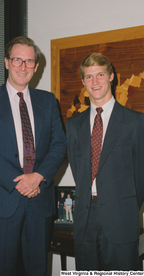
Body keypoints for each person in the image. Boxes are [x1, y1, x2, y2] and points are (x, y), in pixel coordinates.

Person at [0, 36, 67, 276]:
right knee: (2, 268)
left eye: (29, 61)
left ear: (36, 66)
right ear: (6, 62)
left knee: (37, 268)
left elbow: (59, 145)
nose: (23, 66)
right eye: (17, 60)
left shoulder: (48, 101)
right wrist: (21, 182)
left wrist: (38, 177)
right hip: (4, 200)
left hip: (40, 200)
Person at [66, 52, 144, 270]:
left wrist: (125, 204)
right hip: (84, 220)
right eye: (89, 77)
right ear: (83, 82)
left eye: (100, 74)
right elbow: (77, 168)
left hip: (121, 218)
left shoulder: (135, 122)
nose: (95, 82)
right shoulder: (73, 125)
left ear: (111, 76)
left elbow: (141, 176)